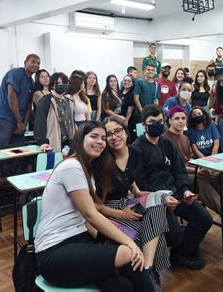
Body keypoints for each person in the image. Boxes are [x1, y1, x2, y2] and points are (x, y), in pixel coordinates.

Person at [34, 122, 157, 291]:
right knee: (129, 253)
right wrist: (129, 243)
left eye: (103, 138)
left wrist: (112, 239)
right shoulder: (72, 166)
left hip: (79, 240)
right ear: (80, 138)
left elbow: (86, 219)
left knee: (123, 285)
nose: (100, 141)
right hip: (53, 251)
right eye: (94, 136)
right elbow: (90, 214)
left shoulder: (87, 170)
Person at [132, 105, 212, 270]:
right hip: (155, 199)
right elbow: (140, 183)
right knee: (174, 236)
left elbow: (179, 170)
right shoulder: (136, 148)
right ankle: (185, 248)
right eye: (152, 122)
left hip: (176, 193)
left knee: (204, 218)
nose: (157, 124)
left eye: (160, 121)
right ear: (144, 124)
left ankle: (180, 255)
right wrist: (161, 198)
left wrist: (185, 189)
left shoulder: (167, 144)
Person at [97, 116, 171, 285]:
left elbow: (131, 183)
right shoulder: (103, 162)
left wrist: (147, 194)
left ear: (125, 132)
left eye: (118, 131)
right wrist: (121, 214)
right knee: (151, 230)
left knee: (158, 200)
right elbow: (97, 206)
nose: (114, 137)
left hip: (127, 202)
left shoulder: (134, 152)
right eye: (109, 134)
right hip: (111, 209)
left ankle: (147, 268)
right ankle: (150, 276)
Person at [168, 106, 223, 227]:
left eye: (183, 118)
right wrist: (198, 171)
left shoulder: (185, 138)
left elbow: (189, 159)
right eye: (177, 118)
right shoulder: (166, 139)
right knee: (202, 180)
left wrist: (203, 167)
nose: (181, 121)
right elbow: (176, 168)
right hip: (178, 176)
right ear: (170, 120)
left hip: (191, 169)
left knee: (220, 176)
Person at [0, 54, 40, 146]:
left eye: (38, 63)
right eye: (33, 62)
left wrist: (24, 124)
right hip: (4, 117)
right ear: (25, 63)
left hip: (19, 122)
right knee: (0, 149)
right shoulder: (15, 73)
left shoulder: (31, 82)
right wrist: (19, 121)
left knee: (18, 151)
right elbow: (12, 98)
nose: (36, 65)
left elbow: (29, 105)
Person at [35, 72, 76, 153]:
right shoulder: (46, 101)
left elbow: (72, 122)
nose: (62, 85)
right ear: (53, 85)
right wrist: (42, 142)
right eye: (59, 83)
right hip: (54, 140)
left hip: (69, 142)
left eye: (64, 83)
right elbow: (40, 122)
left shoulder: (69, 101)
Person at [120, 75, 139, 143]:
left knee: (130, 138)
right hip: (120, 119)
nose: (126, 82)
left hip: (129, 120)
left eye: (129, 81)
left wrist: (126, 120)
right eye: (125, 80)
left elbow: (130, 108)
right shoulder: (120, 92)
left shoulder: (132, 94)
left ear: (132, 83)